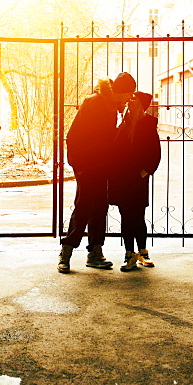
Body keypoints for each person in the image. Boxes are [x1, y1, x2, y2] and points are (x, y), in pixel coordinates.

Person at [57, 71, 137, 273]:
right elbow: (74, 135)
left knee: (100, 207)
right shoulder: (94, 103)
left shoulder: (111, 107)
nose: (130, 98)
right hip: (87, 166)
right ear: (121, 91)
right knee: (84, 205)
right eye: (129, 94)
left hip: (100, 166)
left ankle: (95, 252)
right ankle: (67, 251)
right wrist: (80, 166)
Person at [110, 91, 162, 272]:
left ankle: (143, 252)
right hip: (122, 178)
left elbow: (155, 153)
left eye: (133, 100)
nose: (129, 102)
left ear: (140, 104)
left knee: (138, 216)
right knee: (126, 217)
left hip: (138, 179)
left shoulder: (148, 124)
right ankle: (129, 254)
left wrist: (143, 172)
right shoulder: (124, 123)